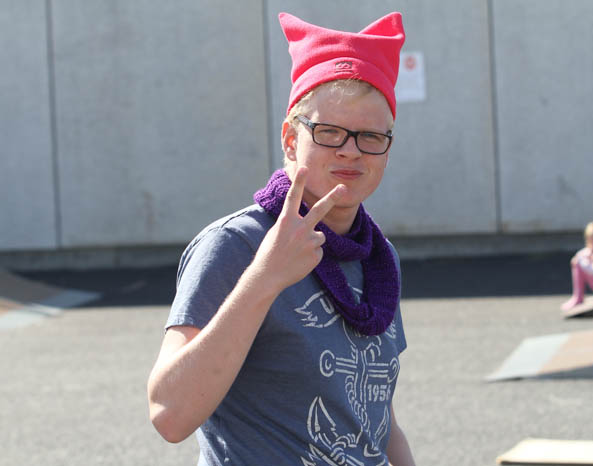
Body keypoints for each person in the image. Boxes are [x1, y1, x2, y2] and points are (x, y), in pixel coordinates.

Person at [147, 12, 416, 466]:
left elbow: (376, 420)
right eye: (329, 132)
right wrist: (265, 277)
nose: (351, 150)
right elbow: (169, 415)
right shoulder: (236, 245)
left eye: (370, 136)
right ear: (291, 139)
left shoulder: (378, 259)